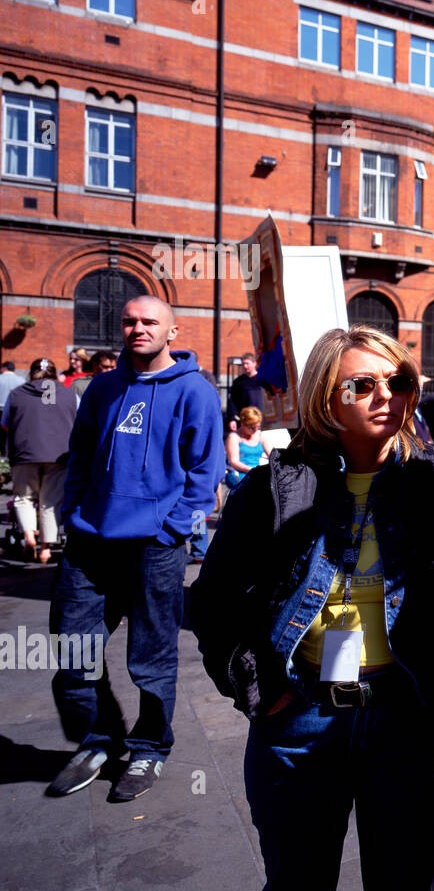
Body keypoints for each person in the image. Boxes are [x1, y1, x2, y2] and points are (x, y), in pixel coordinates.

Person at [189, 326, 434, 891]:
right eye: (363, 384)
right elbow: (213, 600)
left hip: (405, 724)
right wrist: (254, 681)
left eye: (399, 381)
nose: (387, 395)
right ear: (323, 398)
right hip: (300, 720)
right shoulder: (273, 489)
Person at [46, 296, 225, 801]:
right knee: (73, 645)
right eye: (129, 321)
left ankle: (148, 749)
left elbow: (204, 474)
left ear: (173, 330)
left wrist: (173, 531)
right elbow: (79, 455)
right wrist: (72, 514)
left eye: (149, 322)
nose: (137, 329)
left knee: (150, 655)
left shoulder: (195, 392)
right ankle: (98, 738)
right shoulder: (102, 387)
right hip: (90, 541)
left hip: (154, 546)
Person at [1, 358, 77, 563]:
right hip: (59, 454)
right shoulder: (70, 394)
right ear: (54, 374)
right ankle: (46, 549)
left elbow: (5, 423)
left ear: (31, 373)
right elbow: (79, 422)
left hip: (24, 454)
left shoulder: (17, 393)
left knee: (24, 498)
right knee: (51, 502)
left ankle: (28, 536)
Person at [224, 406, 272, 492]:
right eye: (252, 427)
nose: (255, 430)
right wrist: (253, 470)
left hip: (257, 473)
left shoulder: (260, 435)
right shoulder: (234, 437)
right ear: (242, 424)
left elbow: (272, 455)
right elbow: (234, 462)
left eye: (257, 426)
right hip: (240, 474)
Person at [226, 352, 270, 432]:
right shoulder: (238, 382)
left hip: (262, 421)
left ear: (254, 363)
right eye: (243, 364)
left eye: (247, 363)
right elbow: (232, 401)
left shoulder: (264, 380)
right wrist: (232, 419)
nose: (245, 366)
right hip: (246, 420)